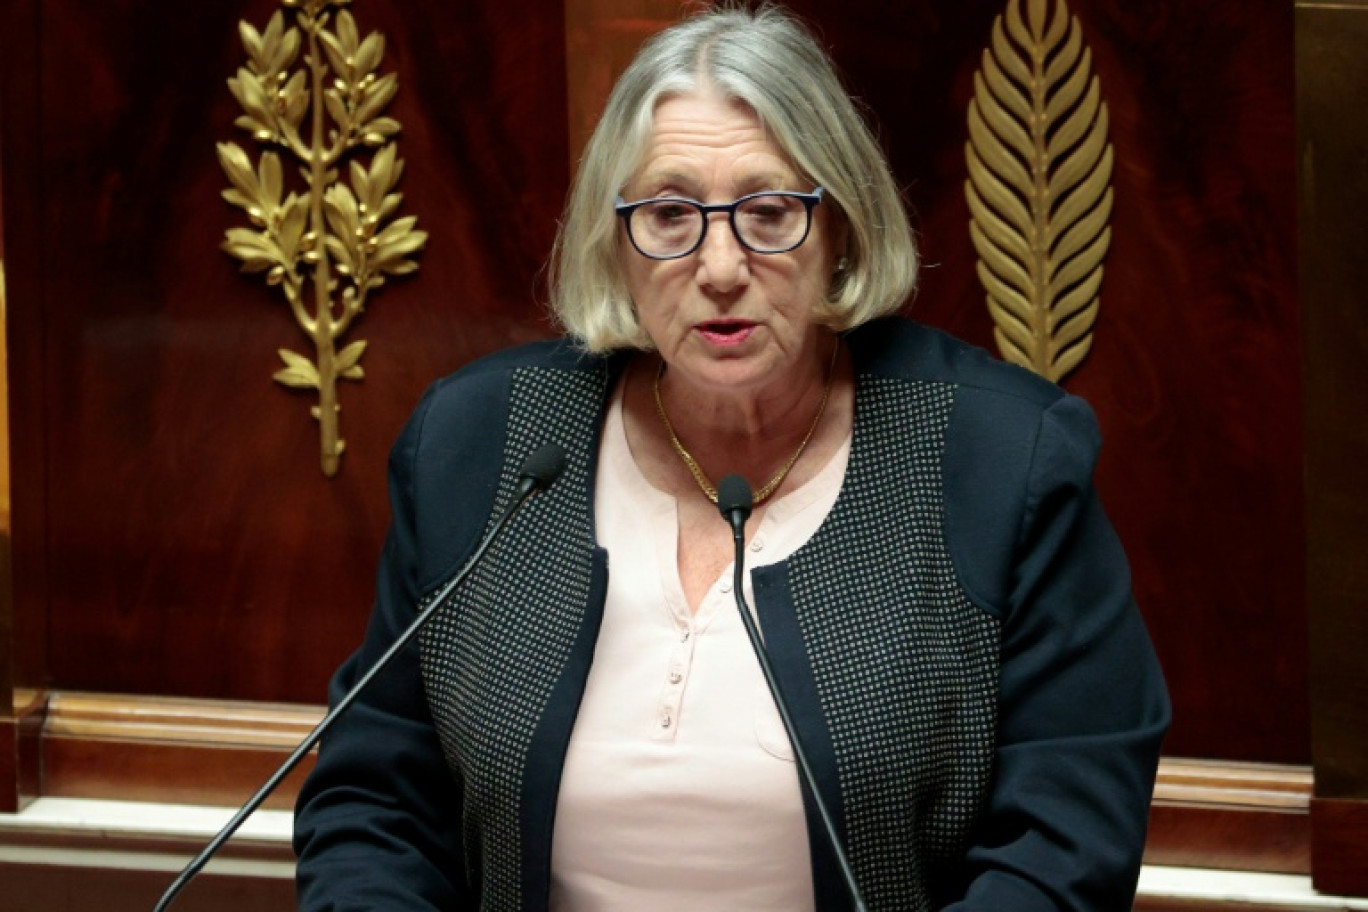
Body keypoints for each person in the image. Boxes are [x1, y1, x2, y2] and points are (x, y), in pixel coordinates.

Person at [292, 4, 1170, 910]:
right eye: (670, 214)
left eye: (769, 211)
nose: (719, 265)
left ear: (841, 230)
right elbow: (375, 804)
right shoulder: (482, 445)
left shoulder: (1000, 461)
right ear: (617, 240)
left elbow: (1063, 843)